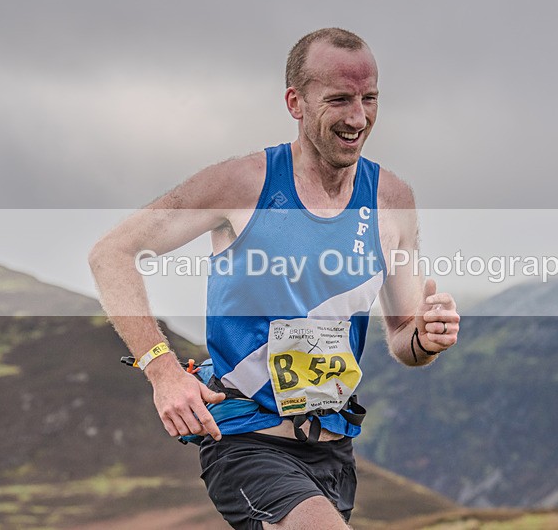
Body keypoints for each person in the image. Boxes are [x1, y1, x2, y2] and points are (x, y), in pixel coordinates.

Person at [89, 27, 459, 529]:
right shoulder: (242, 184)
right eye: (340, 99)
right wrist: (161, 368)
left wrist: (428, 336)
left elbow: (403, 339)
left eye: (370, 98)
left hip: (333, 451)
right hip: (247, 445)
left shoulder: (392, 198)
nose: (358, 117)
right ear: (295, 101)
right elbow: (112, 252)